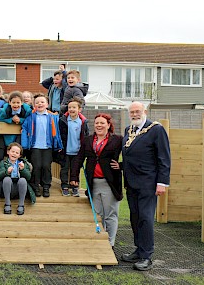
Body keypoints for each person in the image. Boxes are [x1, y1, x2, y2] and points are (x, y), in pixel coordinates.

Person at [119, 102, 171, 271]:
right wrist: (119, 166)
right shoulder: (129, 130)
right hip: (131, 182)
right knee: (135, 217)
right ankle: (138, 249)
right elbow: (131, 155)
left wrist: (162, 183)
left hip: (148, 183)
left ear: (145, 112)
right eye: (132, 112)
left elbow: (164, 157)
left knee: (146, 218)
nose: (134, 114)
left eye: (137, 111)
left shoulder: (156, 129)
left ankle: (146, 256)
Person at [72, 113, 122, 247]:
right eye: (97, 123)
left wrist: (121, 165)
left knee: (110, 215)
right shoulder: (88, 140)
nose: (99, 125)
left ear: (108, 125)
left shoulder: (117, 140)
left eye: (102, 123)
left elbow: (131, 156)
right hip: (93, 183)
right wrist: (74, 176)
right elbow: (79, 158)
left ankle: (110, 242)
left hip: (110, 183)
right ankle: (99, 241)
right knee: (98, 214)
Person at [21, 93, 63, 197]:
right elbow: (24, 129)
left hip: (48, 146)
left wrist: (58, 144)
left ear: (47, 104)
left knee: (46, 166)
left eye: (42, 102)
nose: (40, 104)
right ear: (34, 105)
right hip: (35, 146)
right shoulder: (30, 117)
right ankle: (35, 186)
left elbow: (57, 132)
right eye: (37, 102)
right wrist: (25, 145)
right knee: (36, 166)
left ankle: (46, 186)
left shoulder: (53, 117)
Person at [57, 97, 89, 197]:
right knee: (65, 169)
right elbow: (59, 135)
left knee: (75, 169)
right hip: (65, 150)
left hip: (77, 151)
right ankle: (65, 186)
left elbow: (86, 136)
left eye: (74, 107)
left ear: (79, 109)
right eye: (69, 107)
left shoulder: (83, 122)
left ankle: (74, 187)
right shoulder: (63, 120)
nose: (71, 109)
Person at [0, 142, 35, 215]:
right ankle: (7, 204)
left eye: (17, 153)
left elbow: (28, 177)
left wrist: (22, 169)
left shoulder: (23, 163)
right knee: (7, 179)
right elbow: (0, 176)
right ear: (8, 152)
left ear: (19, 155)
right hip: (7, 188)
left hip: (19, 189)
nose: (14, 154)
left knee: (23, 180)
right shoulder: (3, 162)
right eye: (13, 151)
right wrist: (7, 172)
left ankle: (21, 205)